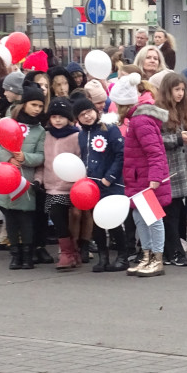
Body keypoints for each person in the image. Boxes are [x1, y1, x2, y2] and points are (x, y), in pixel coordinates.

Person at [112, 72, 171, 278]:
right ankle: (147, 255)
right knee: (139, 217)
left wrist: (155, 177)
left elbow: (155, 151)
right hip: (138, 178)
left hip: (145, 179)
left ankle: (157, 258)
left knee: (152, 219)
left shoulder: (140, 121)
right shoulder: (137, 120)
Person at [0, 83, 47, 270]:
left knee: (26, 217)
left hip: (25, 180)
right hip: (4, 176)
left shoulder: (40, 130)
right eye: (33, 104)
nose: (37, 109)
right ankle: (15, 254)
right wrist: (9, 158)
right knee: (10, 217)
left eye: (40, 106)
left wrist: (25, 157)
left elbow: (41, 156)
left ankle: (27, 254)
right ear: (24, 103)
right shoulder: (7, 121)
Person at [74, 96, 127, 272]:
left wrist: (109, 177)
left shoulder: (110, 129)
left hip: (110, 183)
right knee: (96, 221)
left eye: (88, 112)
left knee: (112, 221)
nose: (87, 117)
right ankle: (102, 257)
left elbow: (121, 154)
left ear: (96, 111)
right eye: (82, 115)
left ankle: (122, 256)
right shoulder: (81, 135)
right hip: (91, 186)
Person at [154, 72, 187, 267]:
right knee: (169, 213)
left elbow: (181, 139)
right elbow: (154, 140)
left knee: (175, 212)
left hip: (178, 169)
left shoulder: (179, 110)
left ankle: (171, 251)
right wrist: (179, 139)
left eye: (182, 90)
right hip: (165, 170)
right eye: (176, 90)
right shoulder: (159, 112)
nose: (180, 94)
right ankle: (174, 251)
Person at [40, 97, 83, 271]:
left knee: (73, 219)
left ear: (69, 118)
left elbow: (81, 159)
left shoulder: (76, 136)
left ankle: (75, 250)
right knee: (57, 217)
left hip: (72, 186)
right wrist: (39, 179)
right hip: (52, 186)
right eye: (54, 116)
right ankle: (66, 252)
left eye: (61, 117)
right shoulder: (46, 135)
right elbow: (43, 161)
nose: (57, 120)